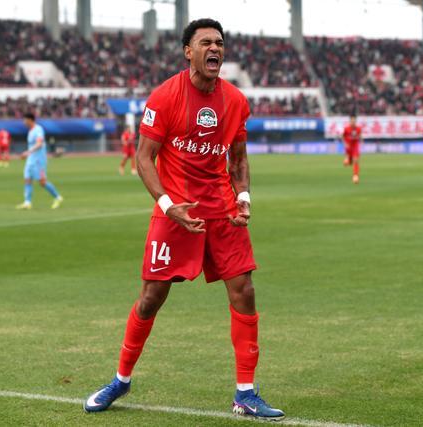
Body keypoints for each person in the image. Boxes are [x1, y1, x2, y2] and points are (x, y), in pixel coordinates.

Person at [83, 18, 284, 421]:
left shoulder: (235, 101)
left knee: (244, 290)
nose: (215, 48)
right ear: (188, 52)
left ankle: (246, 393)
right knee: (151, 297)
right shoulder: (165, 96)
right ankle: (121, 379)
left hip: (222, 210)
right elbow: (144, 158)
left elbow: (238, 158)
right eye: (206, 42)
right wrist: (166, 204)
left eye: (219, 43)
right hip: (176, 211)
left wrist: (243, 197)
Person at [16, 112, 63, 210]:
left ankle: (58, 197)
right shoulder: (30, 131)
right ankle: (27, 202)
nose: (24, 122)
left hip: (38, 160)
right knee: (27, 179)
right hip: (31, 160)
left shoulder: (38, 129)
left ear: (30, 120)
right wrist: (28, 155)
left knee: (42, 182)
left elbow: (39, 144)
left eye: (25, 120)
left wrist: (28, 152)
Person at [342, 114, 362, 184]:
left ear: (355, 121)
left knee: (355, 160)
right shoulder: (346, 129)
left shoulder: (358, 129)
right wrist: (345, 143)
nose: (353, 122)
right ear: (350, 121)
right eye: (352, 121)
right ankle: (347, 160)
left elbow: (360, 136)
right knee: (349, 162)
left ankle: (355, 176)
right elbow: (343, 136)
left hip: (355, 146)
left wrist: (360, 140)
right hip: (348, 147)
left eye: (354, 121)